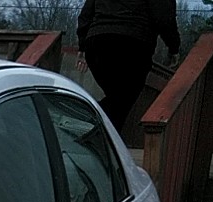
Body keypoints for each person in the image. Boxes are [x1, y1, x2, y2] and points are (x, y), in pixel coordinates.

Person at [77, 0, 181, 133]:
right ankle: (84, 121)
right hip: (133, 44)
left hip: (98, 42)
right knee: (121, 100)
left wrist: (83, 45)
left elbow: (86, 14)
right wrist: (174, 48)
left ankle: (100, 138)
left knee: (118, 100)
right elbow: (164, 18)